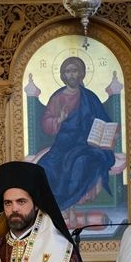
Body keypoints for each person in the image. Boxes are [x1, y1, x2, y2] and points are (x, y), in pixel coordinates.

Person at [37, 57, 116, 212]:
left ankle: (69, 205)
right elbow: (46, 123)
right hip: (63, 145)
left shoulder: (90, 97)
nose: (71, 75)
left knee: (80, 163)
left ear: (81, 73)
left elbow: (104, 121)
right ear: (63, 75)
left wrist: (111, 133)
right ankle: (52, 208)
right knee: (45, 166)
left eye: (74, 71)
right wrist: (58, 120)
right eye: (68, 71)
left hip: (87, 145)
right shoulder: (57, 98)